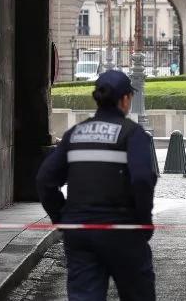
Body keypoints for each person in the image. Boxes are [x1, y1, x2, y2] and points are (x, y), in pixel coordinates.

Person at [36, 70, 158, 301]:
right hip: (123, 231)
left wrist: (62, 218)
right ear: (125, 99)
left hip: (80, 231)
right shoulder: (133, 134)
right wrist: (143, 223)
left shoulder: (74, 134)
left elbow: (44, 180)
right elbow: (142, 180)